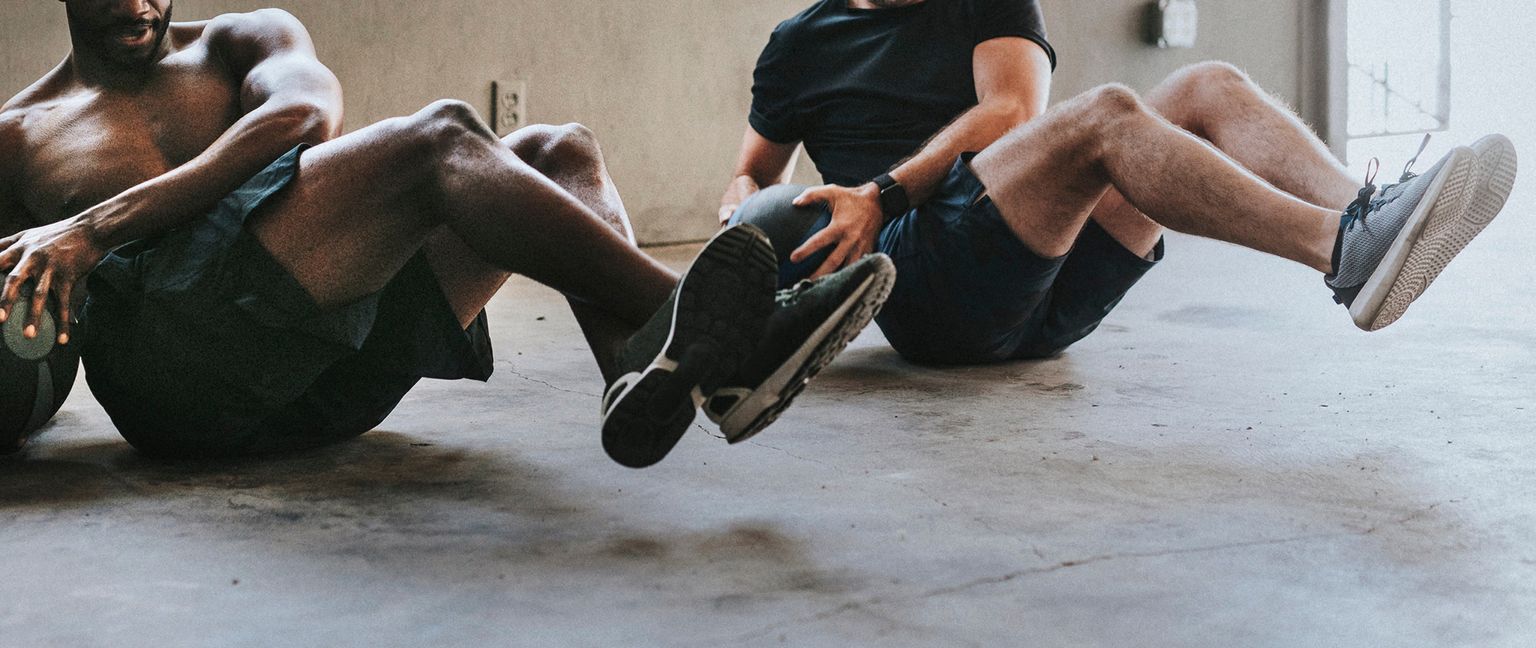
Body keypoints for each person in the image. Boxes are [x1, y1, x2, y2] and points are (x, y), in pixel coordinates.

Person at [0, 0, 894, 468]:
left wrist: (90, 225)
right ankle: (723, 341)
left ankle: (642, 368)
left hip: (329, 388)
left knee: (558, 148)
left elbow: (309, 114)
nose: (137, 1)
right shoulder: (19, 132)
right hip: (185, 390)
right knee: (439, 138)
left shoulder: (240, 40)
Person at [721, 0, 1518, 368]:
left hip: (1046, 288)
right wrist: (738, 211)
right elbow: (757, 169)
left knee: (1206, 85)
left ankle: (1362, 218)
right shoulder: (799, 43)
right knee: (1107, 114)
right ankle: (1342, 250)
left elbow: (1010, 112)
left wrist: (884, 188)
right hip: (923, 287)